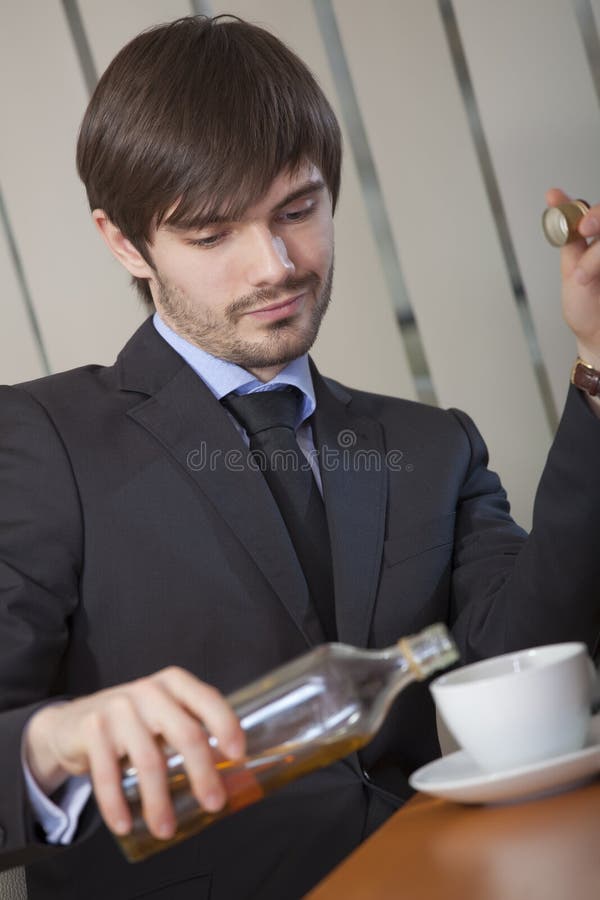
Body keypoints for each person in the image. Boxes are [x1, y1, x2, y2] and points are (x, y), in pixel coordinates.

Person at [0, 13, 598, 900]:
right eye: (211, 236)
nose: (274, 265)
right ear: (125, 242)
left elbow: (533, 654)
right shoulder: (39, 439)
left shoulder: (432, 446)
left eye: (298, 210)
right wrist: (50, 740)